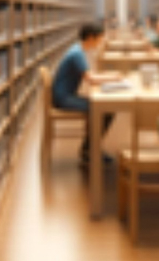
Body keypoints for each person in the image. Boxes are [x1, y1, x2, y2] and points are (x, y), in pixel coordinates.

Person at [51, 22, 123, 169]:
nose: (100, 42)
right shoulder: (77, 54)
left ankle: (90, 149)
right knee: (105, 110)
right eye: (99, 38)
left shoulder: (77, 50)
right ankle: (89, 151)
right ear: (91, 37)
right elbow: (91, 79)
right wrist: (114, 78)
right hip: (63, 98)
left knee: (105, 109)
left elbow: (90, 75)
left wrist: (109, 76)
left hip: (65, 95)